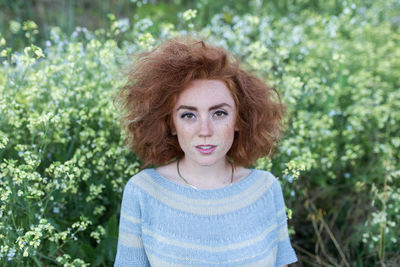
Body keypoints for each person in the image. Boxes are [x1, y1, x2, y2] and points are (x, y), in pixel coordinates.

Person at [113, 37, 297, 266]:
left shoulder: (265, 190)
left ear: (240, 119)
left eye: (218, 113)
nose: (204, 130)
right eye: (188, 115)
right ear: (170, 124)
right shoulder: (143, 192)